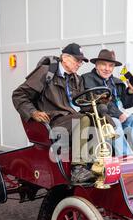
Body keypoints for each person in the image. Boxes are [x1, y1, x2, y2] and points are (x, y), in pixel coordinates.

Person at [12, 43, 98, 183]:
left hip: (72, 120)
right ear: (65, 58)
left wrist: (100, 104)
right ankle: (78, 169)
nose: (80, 64)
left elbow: (81, 104)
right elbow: (18, 95)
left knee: (99, 119)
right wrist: (33, 112)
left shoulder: (76, 79)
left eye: (81, 61)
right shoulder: (46, 72)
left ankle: (98, 163)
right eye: (77, 60)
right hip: (54, 122)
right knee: (83, 120)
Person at [82, 49, 133, 156]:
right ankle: (125, 157)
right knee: (115, 122)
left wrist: (131, 91)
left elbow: (127, 104)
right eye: (103, 65)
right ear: (96, 65)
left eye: (111, 66)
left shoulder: (116, 82)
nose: (107, 69)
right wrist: (118, 114)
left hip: (118, 118)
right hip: (98, 119)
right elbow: (98, 100)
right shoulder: (87, 80)